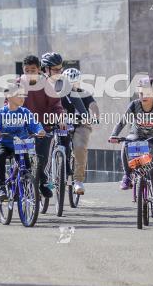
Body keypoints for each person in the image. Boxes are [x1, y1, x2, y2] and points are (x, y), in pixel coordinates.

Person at [109, 77, 153, 218]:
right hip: (136, 136)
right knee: (126, 142)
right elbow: (122, 122)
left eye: (147, 92)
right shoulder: (134, 105)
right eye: (140, 93)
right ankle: (127, 175)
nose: (143, 96)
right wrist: (114, 135)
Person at [0, 84, 46, 202]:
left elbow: (34, 124)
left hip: (20, 143)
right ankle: (1, 187)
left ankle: (28, 189)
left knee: (26, 166)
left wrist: (39, 130)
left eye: (23, 95)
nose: (22, 98)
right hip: (3, 143)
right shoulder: (1, 112)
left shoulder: (25, 112)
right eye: (19, 95)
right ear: (8, 97)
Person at [21, 53, 66, 199]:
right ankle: (21, 184)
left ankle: (42, 182)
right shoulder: (18, 83)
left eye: (33, 70)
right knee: (21, 159)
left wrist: (60, 120)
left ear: (39, 70)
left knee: (41, 158)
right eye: (26, 70)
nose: (29, 74)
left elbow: (56, 106)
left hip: (43, 127)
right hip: (23, 129)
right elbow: (8, 104)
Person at [59, 67, 99, 195]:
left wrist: (95, 116)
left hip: (81, 124)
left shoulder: (84, 93)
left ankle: (78, 181)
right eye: (69, 82)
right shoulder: (59, 94)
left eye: (75, 82)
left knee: (80, 147)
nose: (72, 85)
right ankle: (53, 173)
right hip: (63, 125)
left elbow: (93, 106)